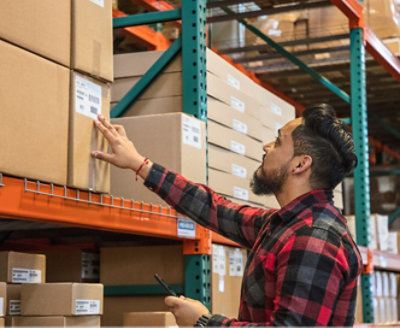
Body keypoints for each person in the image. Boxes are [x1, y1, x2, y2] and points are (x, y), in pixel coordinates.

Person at [91, 103, 362, 327]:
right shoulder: (285, 226)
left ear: (300, 164)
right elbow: (215, 209)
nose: (266, 147)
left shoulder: (313, 238)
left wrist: (204, 322)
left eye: (278, 142)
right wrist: (140, 164)